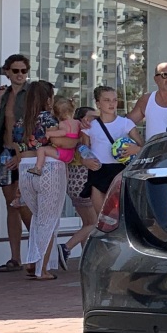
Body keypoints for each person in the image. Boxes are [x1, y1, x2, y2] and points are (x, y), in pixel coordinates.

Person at [0, 54, 33, 272]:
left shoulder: (31, 94)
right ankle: (15, 257)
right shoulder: (4, 95)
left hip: (24, 153)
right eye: (16, 71)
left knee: (23, 203)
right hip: (5, 152)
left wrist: (22, 154)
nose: (20, 75)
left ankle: (38, 251)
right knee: (11, 205)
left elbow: (34, 127)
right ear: (7, 72)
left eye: (24, 71)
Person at [17, 80, 68, 281]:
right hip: (50, 167)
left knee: (38, 219)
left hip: (25, 168)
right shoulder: (49, 119)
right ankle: (42, 268)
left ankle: (33, 261)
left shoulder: (21, 121)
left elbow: (18, 147)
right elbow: (60, 142)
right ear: (48, 99)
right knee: (49, 220)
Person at [83, 85, 141, 217]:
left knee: (118, 217)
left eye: (114, 100)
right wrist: (85, 161)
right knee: (101, 218)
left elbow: (143, 146)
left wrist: (136, 149)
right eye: (107, 100)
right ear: (98, 103)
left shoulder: (126, 123)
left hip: (119, 171)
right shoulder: (89, 126)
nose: (112, 104)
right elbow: (83, 149)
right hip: (98, 171)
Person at [58, 105, 99, 270]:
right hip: (83, 183)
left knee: (87, 223)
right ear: (82, 119)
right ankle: (66, 247)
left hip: (74, 184)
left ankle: (85, 261)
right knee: (95, 223)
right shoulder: (84, 137)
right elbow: (89, 157)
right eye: (91, 117)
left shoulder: (73, 135)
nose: (95, 121)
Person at [28, 97, 81, 175]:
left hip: (62, 152)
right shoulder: (78, 122)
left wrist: (49, 134)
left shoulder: (63, 123)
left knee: (41, 150)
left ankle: (38, 168)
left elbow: (63, 132)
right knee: (64, 167)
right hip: (71, 153)